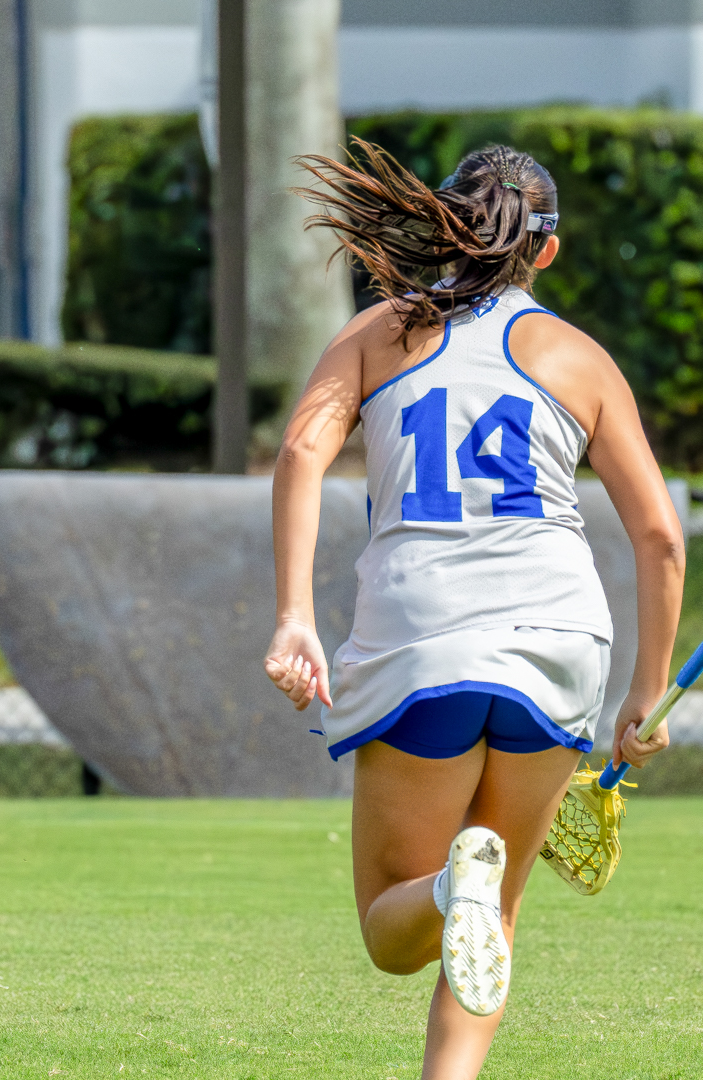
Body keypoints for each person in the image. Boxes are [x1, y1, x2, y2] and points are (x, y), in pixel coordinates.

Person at [264, 140, 684, 1079]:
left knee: (394, 928)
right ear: (548, 250)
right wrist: (645, 695)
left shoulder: (386, 329)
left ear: (449, 223)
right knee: (490, 925)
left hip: (426, 637)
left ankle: (455, 881)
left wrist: (294, 616)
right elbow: (660, 538)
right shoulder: (580, 357)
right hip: (562, 641)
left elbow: (299, 452)